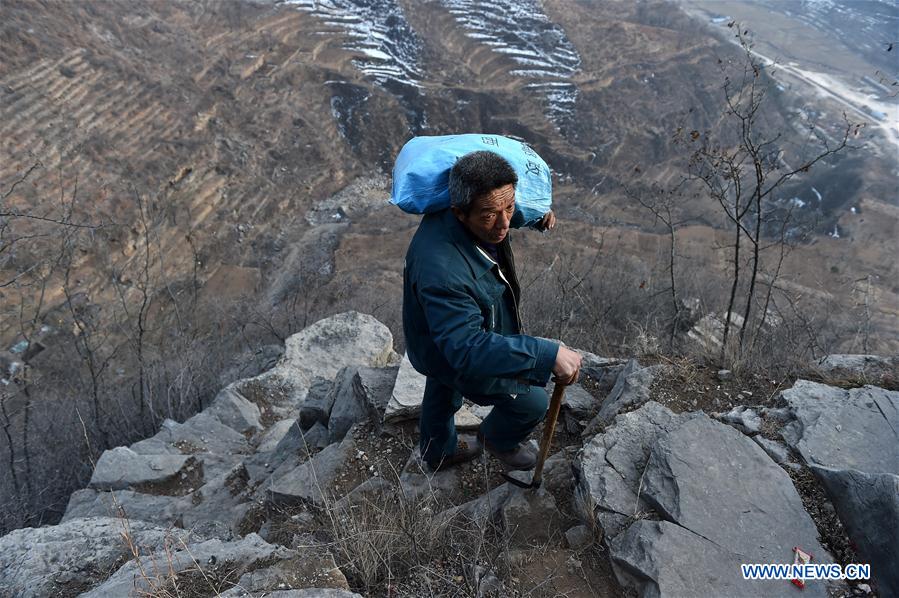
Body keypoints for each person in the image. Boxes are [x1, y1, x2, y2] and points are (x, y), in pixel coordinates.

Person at [402, 150, 583, 472]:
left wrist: (532, 214)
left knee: (441, 387)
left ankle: (437, 451)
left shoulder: (471, 210)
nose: (504, 224)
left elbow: (500, 208)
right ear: (459, 213)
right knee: (531, 402)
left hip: (431, 339)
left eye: (509, 208)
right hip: (454, 346)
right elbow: (466, 347)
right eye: (489, 215)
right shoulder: (443, 271)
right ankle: (497, 439)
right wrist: (546, 354)